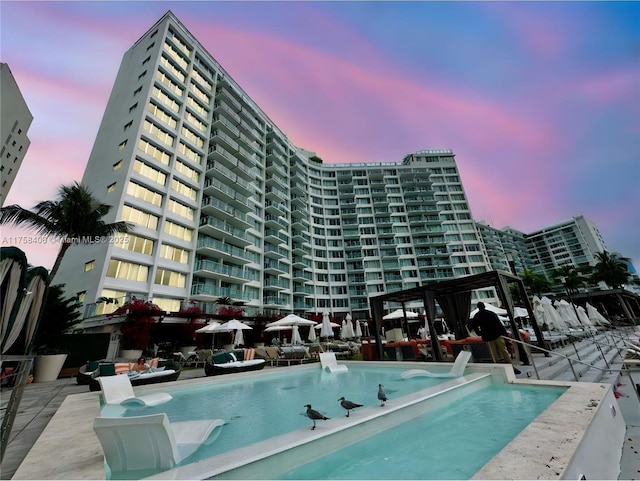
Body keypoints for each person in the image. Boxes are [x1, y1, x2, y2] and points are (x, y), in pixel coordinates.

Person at [468, 302, 521, 375]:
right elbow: (499, 324)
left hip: (488, 336)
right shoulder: (491, 313)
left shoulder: (477, 316)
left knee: (494, 353)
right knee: (504, 351)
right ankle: (510, 366)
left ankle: (498, 366)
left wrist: (479, 333)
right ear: (484, 306)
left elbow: (474, 325)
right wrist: (504, 334)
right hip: (497, 334)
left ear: (478, 307)